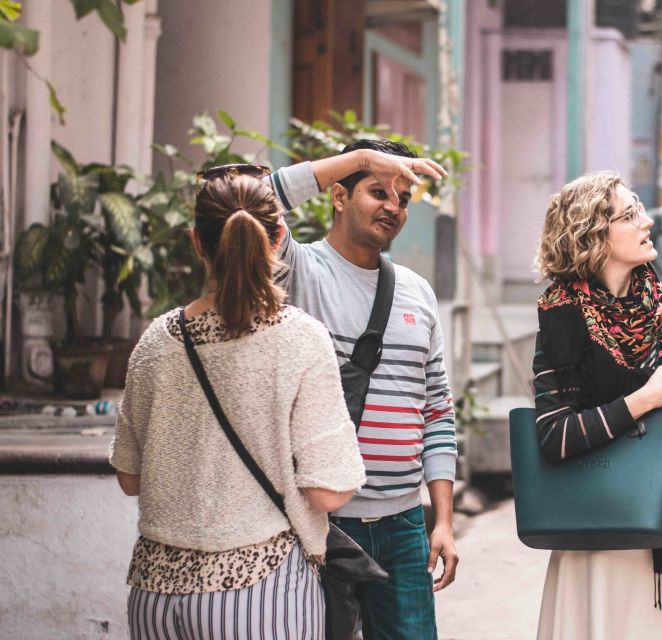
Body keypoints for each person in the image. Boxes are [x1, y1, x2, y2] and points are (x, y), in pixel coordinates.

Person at [109, 168, 367, 638]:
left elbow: (130, 477)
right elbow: (329, 490)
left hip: (155, 592)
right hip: (260, 587)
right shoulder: (300, 339)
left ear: (197, 242)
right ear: (279, 238)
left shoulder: (155, 342)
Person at [531, 172, 662, 639]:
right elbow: (553, 434)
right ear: (592, 234)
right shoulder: (561, 320)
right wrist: (645, 400)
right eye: (630, 215)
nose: (647, 221)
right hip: (597, 535)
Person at [265, 140, 457, 639]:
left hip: (404, 525)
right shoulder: (300, 271)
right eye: (377, 190)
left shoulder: (418, 292)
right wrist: (358, 160)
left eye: (404, 198)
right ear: (338, 196)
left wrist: (443, 520)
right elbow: (252, 201)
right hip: (320, 525)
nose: (393, 206)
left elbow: (436, 411)